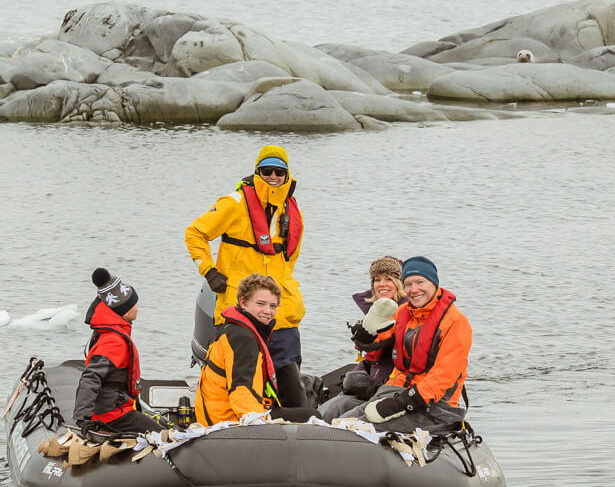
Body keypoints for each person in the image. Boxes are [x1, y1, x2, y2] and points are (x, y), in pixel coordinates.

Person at [185, 145, 307, 406]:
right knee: (240, 382)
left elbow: (290, 260)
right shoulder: (234, 203)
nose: (273, 176)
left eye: (279, 171)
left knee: (291, 387)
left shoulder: (293, 213)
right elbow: (194, 233)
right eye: (267, 171)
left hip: (280, 316)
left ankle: (295, 431)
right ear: (257, 172)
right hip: (238, 312)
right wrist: (208, 270)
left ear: (287, 174)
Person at [343, 256, 471, 434]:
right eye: (408, 284)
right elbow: (381, 337)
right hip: (395, 392)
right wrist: (366, 336)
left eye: (420, 282)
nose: (414, 289)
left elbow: (443, 377)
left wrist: (401, 403)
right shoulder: (404, 312)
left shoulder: (456, 322)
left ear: (434, 283)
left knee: (356, 429)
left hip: (435, 408)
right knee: (342, 422)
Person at [72, 267, 164, 437]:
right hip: (112, 414)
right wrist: (82, 418)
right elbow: (91, 377)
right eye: (134, 303)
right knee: (165, 436)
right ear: (124, 310)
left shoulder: (113, 333)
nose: (138, 306)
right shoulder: (114, 342)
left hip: (117, 406)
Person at [193, 274, 291, 425]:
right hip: (226, 423)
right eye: (261, 304)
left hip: (218, 416)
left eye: (273, 306)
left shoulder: (235, 329)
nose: (268, 311)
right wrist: (261, 426)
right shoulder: (243, 339)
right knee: (312, 414)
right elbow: (241, 391)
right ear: (243, 303)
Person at [317, 256, 405, 421]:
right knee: (333, 405)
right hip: (372, 385)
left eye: (389, 279)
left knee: (339, 407)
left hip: (390, 391)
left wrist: (378, 386)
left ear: (399, 284)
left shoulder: (406, 316)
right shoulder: (374, 313)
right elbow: (370, 359)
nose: (382, 284)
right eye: (377, 280)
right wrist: (358, 375)